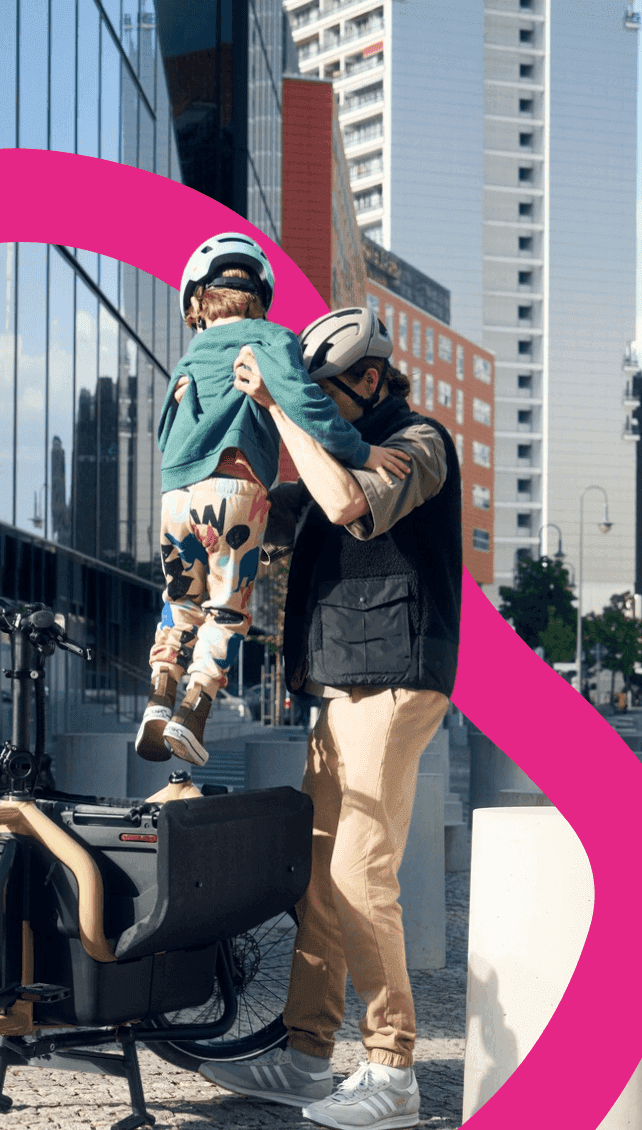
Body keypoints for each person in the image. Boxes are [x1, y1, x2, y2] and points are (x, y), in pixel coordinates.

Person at [200, 307, 462, 1130]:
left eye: (322, 394)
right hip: (341, 682)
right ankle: (309, 1056)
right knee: (317, 874)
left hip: (395, 676)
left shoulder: (419, 443)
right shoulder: (336, 443)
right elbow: (281, 508)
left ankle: (393, 1069)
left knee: (360, 872)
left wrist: (281, 407)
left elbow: (351, 503)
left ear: (373, 379)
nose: (312, 407)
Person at [137, 236, 410, 768]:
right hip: (233, 490)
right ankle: (193, 712)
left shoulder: (188, 358)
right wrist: (363, 451)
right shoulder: (267, 338)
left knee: (179, 602)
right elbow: (306, 404)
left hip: (175, 497)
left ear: (196, 303)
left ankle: (159, 695)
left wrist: (188, 399)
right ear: (259, 296)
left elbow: (165, 432)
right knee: (225, 610)